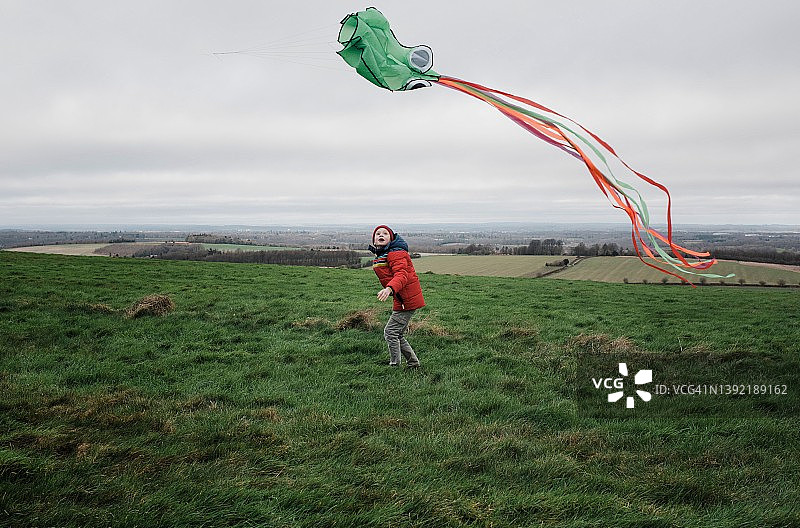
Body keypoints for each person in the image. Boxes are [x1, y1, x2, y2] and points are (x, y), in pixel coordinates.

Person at [369, 225, 425, 367]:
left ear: (392, 238)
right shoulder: (384, 253)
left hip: (406, 299)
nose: (381, 235)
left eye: (385, 233)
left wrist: (389, 289)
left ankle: (395, 364)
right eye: (378, 234)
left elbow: (401, 275)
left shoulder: (396, 253)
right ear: (374, 240)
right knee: (397, 334)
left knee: (390, 332)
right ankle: (413, 363)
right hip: (401, 297)